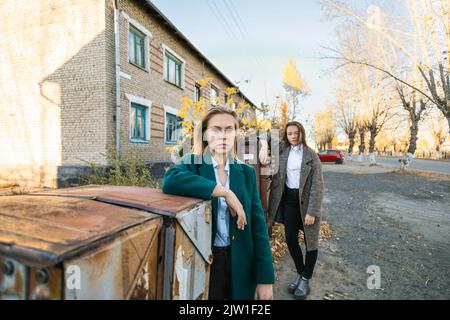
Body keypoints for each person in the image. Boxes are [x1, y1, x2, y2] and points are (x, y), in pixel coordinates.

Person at [162, 106, 274, 300]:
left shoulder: (246, 172)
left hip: (240, 263)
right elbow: (170, 180)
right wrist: (224, 192)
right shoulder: (193, 163)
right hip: (206, 261)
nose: (223, 135)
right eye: (216, 129)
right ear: (205, 133)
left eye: (229, 129)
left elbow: (258, 229)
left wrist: (265, 278)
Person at [259, 121, 324, 300]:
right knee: (290, 239)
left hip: (307, 202)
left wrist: (313, 211)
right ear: (286, 135)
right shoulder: (282, 149)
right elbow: (265, 134)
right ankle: (301, 273)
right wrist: (264, 146)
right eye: (289, 133)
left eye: (296, 133)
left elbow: (318, 186)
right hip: (288, 200)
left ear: (302, 133)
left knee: (311, 242)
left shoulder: (312, 155)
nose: (293, 136)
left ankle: (305, 279)